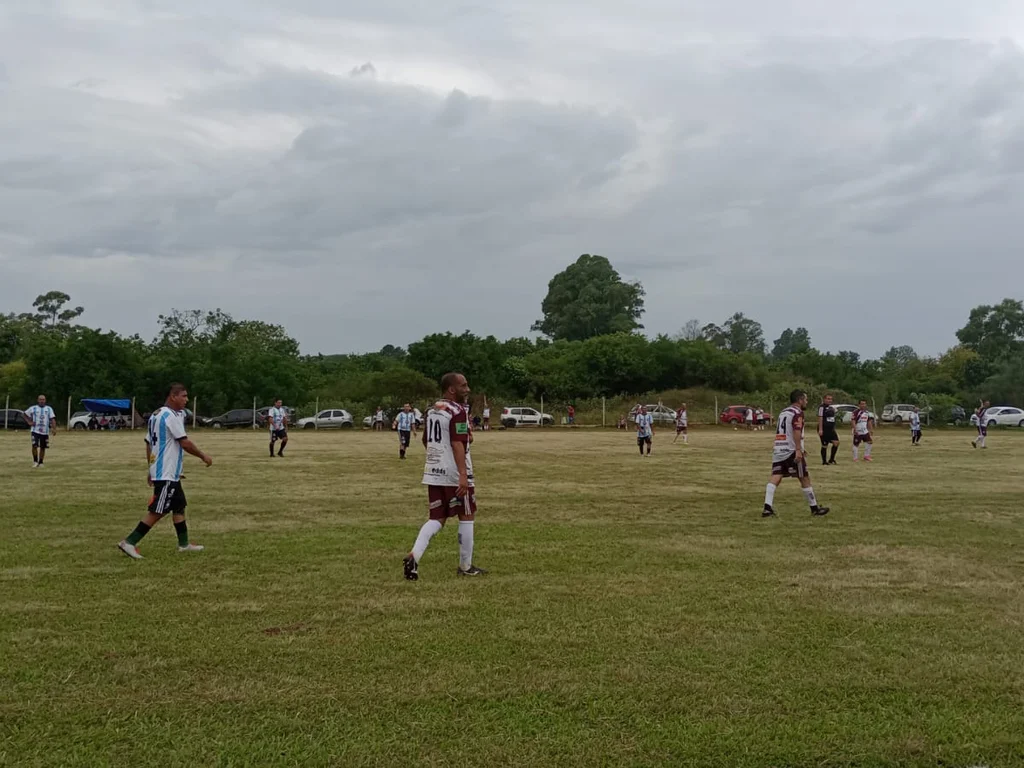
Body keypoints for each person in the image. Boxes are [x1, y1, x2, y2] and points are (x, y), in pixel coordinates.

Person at [403, 372, 486, 580]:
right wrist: (463, 475)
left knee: (437, 518)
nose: (467, 390)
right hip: (454, 472)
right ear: (452, 389)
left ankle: (414, 555)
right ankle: (466, 567)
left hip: (433, 472)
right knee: (466, 515)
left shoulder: (432, 410)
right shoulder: (457, 411)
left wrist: (437, 458)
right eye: (464, 386)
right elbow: (457, 443)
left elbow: (425, 439)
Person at [118, 383, 212, 560]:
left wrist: (151, 467)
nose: (186, 400)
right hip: (166, 472)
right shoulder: (170, 416)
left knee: (179, 506)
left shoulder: (156, 414)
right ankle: (129, 542)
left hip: (166, 471)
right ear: (173, 396)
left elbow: (149, 443)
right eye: (183, 396)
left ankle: (184, 544)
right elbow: (185, 443)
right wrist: (203, 456)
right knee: (159, 510)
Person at [763, 389, 830, 518]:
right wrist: (798, 449)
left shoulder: (784, 412)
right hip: (791, 450)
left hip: (779, 447)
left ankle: (767, 507)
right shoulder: (797, 413)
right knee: (804, 477)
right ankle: (814, 508)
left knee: (776, 476)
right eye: (805, 399)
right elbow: (796, 430)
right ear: (799, 400)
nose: (806, 401)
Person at [25, 395, 56, 468]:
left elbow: (52, 419)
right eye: (40, 399)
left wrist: (54, 428)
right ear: (38, 400)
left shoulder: (49, 409)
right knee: (34, 445)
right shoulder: (33, 408)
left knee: (43, 447)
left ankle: (41, 462)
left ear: (45, 400)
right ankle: (35, 461)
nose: (42, 401)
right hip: (35, 430)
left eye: (43, 399)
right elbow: (24, 414)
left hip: (45, 431)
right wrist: (29, 422)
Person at [817, 394, 840, 465]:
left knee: (836, 442)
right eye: (828, 399)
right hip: (824, 428)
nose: (829, 400)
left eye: (831, 399)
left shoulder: (831, 408)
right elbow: (820, 417)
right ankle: (824, 461)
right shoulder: (821, 407)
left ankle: (831, 459)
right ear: (824, 399)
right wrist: (820, 429)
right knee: (824, 445)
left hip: (831, 429)